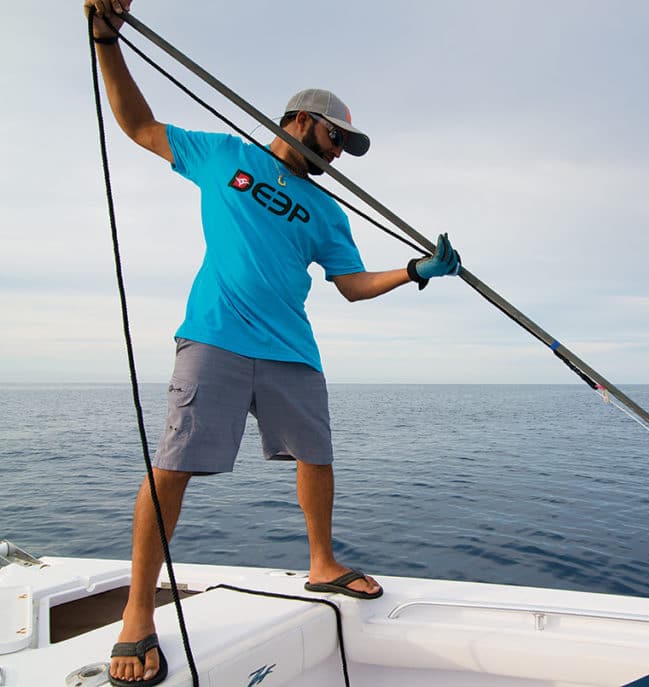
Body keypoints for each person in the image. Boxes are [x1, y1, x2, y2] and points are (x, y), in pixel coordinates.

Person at [84, 2, 462, 685]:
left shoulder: (327, 209)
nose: (340, 151)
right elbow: (138, 125)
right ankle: (138, 610)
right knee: (173, 466)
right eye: (335, 135)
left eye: (347, 145)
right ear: (298, 120)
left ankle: (323, 562)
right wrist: (105, 38)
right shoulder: (224, 154)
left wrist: (413, 271)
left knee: (316, 456)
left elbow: (350, 283)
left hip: (292, 347)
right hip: (215, 337)